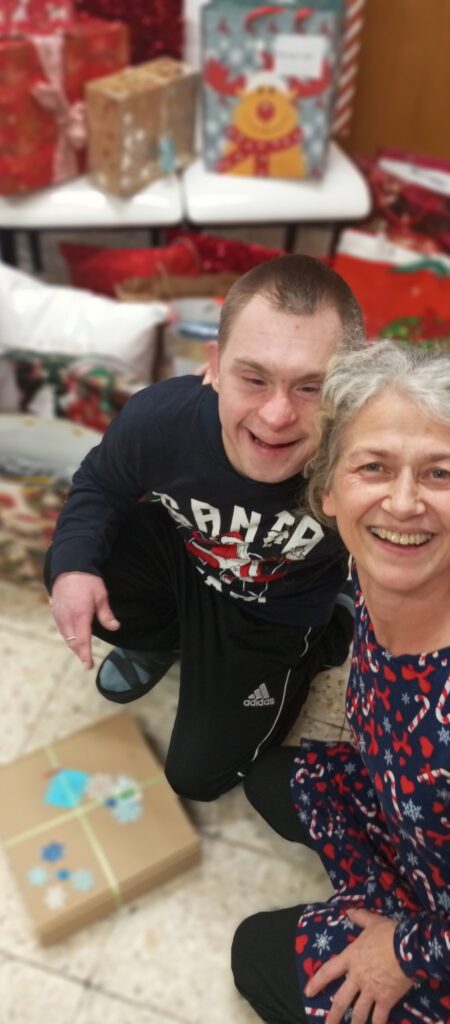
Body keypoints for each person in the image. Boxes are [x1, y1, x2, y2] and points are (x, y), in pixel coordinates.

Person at [45, 255, 364, 802]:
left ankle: (324, 633)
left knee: (198, 776)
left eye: (311, 388)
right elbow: (101, 482)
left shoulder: (366, 458)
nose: (276, 416)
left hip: (277, 612)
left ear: (350, 388)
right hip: (186, 561)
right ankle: (169, 639)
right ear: (214, 366)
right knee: (72, 564)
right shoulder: (160, 420)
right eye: (254, 378)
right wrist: (74, 566)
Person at [231, 341, 450, 1024]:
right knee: (266, 776)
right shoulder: (376, 560)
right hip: (411, 817)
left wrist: (406, 952)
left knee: (255, 954)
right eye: (373, 466)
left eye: (441, 473)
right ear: (329, 491)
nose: (403, 503)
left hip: (438, 935)